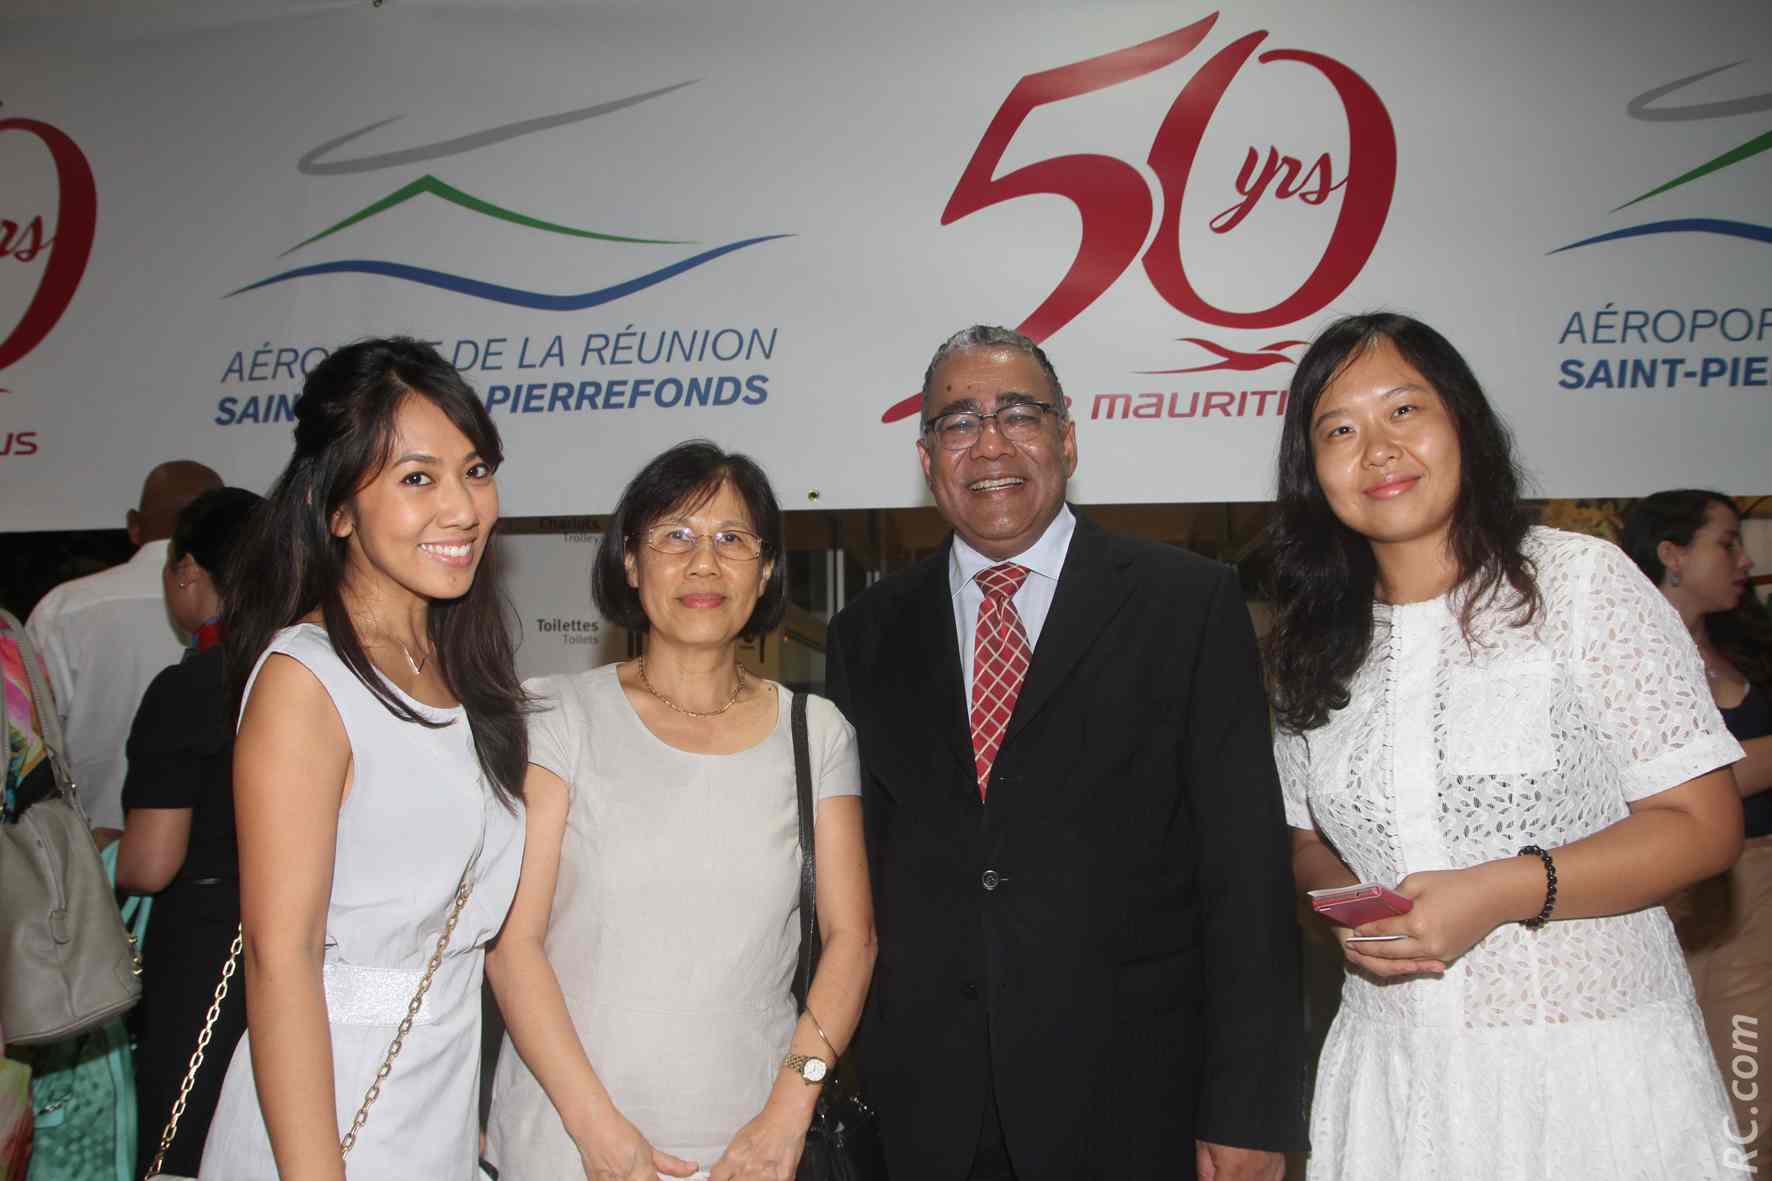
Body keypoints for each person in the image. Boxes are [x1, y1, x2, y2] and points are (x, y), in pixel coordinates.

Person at [1265, 313, 1745, 1179]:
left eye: (1404, 410)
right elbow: (1305, 839)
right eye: (1339, 429)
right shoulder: (1311, 640)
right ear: (1312, 469)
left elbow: (1702, 823)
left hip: (1587, 1069)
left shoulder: (1579, 584)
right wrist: (1357, 907)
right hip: (1395, 1072)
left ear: (1463, 423)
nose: (1378, 449)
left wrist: (1501, 889)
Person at [824, 326, 1304, 1181]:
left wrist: (1251, 1106)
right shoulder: (866, 633)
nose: (991, 444)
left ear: (1068, 439)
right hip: (927, 1115)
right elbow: (858, 874)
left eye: (1019, 415)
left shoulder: (1186, 605)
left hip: (1135, 1105)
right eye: (959, 422)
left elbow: (1246, 874)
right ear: (928, 459)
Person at [485, 440, 875, 1181]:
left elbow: (852, 940)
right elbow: (513, 945)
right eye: (675, 536)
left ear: (765, 571)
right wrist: (598, 1130)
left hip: (751, 1149)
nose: (704, 564)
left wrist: (789, 1111)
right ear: (631, 563)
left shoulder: (816, 732)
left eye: (732, 539)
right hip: (566, 1141)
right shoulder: (556, 715)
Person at [198, 338, 528, 1180]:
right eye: (417, 478)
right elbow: (282, 960)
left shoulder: (463, 673)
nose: (462, 508)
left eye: (476, 470)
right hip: (327, 1119)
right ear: (337, 508)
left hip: (434, 1112)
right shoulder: (306, 682)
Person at [115, 485, 263, 1178]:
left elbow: (150, 863)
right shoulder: (310, 669)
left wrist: (101, 850)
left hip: (204, 953)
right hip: (304, 943)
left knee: (182, 1143)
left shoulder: (191, 686)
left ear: (187, 570)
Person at [1622, 488, 1772, 1169]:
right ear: (1672, 555)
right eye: (1727, 543)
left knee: (1750, 1080)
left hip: (1754, 885)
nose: (1744, 560)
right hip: (1674, 890)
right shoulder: (1625, 656)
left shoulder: (1746, 646)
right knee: (1685, 1081)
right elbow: (1675, 786)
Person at [26, 460, 222, 841]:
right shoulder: (260, 612)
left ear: (134, 525)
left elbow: (29, 746)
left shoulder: (61, 610)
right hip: (212, 855)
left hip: (81, 853)